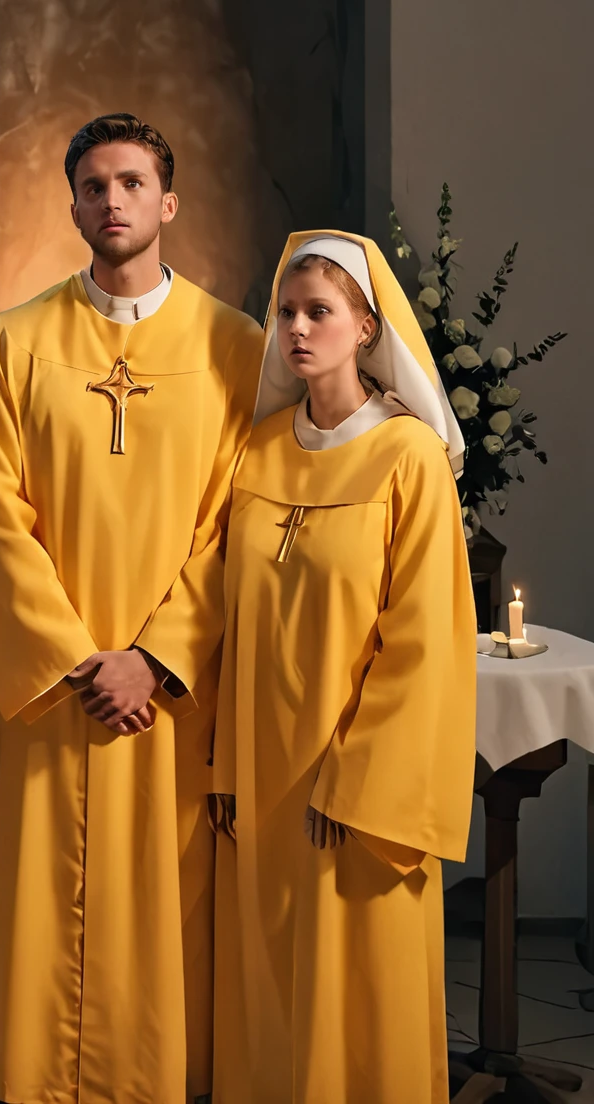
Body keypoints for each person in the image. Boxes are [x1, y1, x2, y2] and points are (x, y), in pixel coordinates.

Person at [0, 113, 264, 1103]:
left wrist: (155, 655)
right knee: (50, 902)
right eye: (93, 186)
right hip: (58, 692)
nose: (112, 201)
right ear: (70, 206)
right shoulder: (18, 341)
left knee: (164, 908)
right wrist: (74, 657)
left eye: (131, 183)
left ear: (168, 202)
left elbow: (239, 519)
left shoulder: (233, 345)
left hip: (170, 694)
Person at [209, 234, 474, 1103]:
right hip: (262, 775)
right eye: (285, 312)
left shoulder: (409, 459)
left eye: (318, 311)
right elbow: (227, 621)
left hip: (352, 790)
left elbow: (424, 638)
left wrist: (357, 781)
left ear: (365, 327)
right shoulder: (254, 452)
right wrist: (223, 764)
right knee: (271, 992)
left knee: (359, 995)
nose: (295, 328)